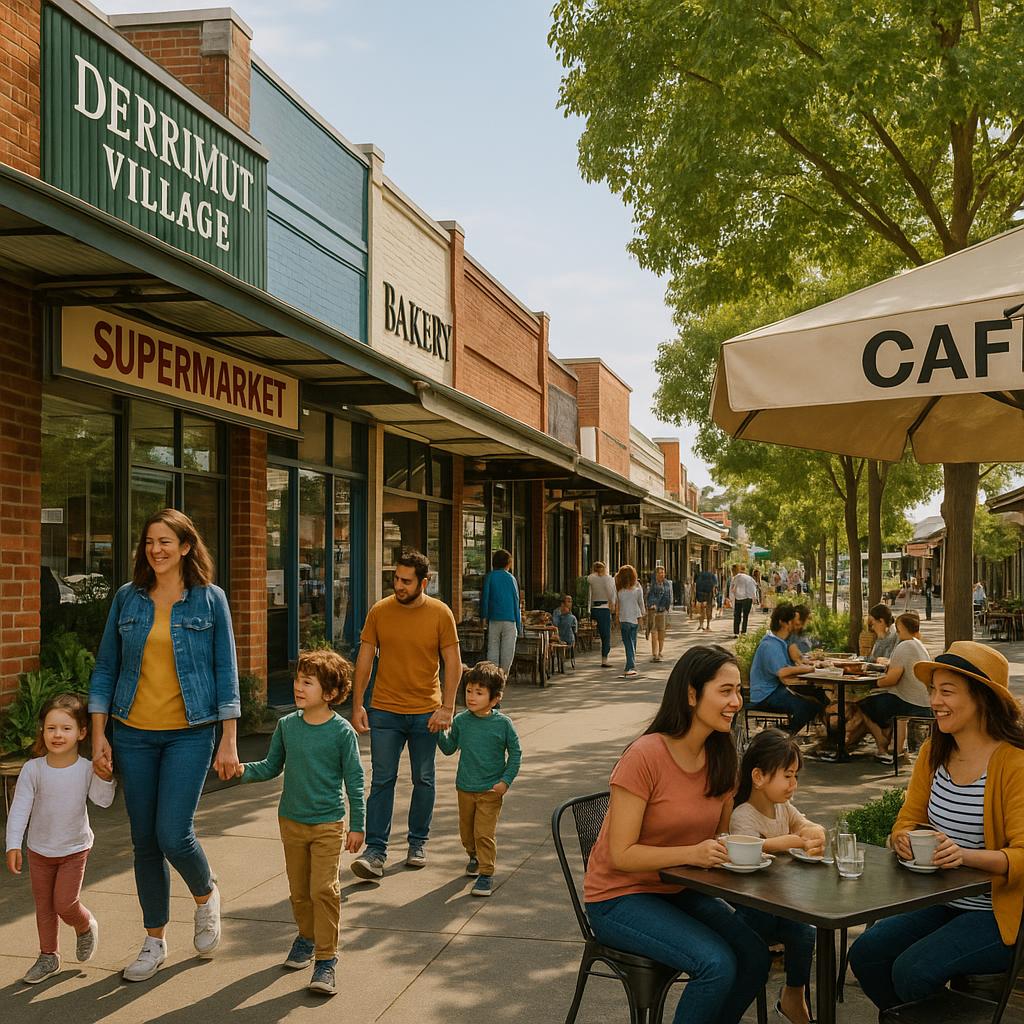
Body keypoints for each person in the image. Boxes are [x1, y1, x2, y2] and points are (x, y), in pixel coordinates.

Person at [583, 646, 772, 1024]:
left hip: (677, 890)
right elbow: (621, 854)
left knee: (755, 955)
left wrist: (785, 831)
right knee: (716, 963)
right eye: (724, 690)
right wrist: (692, 853)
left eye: (738, 691)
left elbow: (719, 836)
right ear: (691, 694)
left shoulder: (721, 755)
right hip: (618, 898)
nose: (736, 701)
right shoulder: (645, 756)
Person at [89, 508, 239, 982]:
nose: (156, 549)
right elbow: (106, 669)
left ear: (187, 547)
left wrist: (229, 740)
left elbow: (225, 673)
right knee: (143, 841)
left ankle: (205, 894)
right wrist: (98, 736)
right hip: (132, 732)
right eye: (150, 541)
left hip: (190, 733)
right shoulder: (127, 600)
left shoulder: (210, 601)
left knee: (173, 833)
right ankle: (154, 940)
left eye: (166, 541)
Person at [849, 641, 1024, 1011]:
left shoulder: (1014, 763)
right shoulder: (934, 751)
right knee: (866, 953)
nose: (934, 701)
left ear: (982, 699)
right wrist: (904, 840)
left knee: (914, 971)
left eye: (947, 691)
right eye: (933, 691)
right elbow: (907, 821)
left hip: (1000, 911)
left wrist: (965, 856)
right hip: (940, 899)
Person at [238, 649, 365, 996]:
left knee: (323, 889)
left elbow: (354, 779)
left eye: (307, 682)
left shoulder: (342, 732)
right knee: (299, 892)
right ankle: (306, 938)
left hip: (328, 823)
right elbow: (269, 766)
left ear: (329, 692)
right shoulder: (286, 726)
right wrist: (241, 771)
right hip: (291, 821)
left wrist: (358, 824)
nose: (298, 686)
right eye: (298, 679)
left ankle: (326, 960)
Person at [350, 549, 462, 880]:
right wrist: (357, 705)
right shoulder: (380, 611)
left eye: (406, 580)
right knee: (382, 779)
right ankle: (375, 851)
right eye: (395, 578)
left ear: (424, 582)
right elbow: (365, 659)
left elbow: (453, 662)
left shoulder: (441, 614)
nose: (398, 585)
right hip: (385, 710)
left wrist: (448, 708)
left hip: (426, 712)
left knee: (423, 779)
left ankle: (417, 843)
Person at [5, 693, 116, 984]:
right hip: (39, 850)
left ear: (81, 732)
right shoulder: (33, 769)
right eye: (51, 727)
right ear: (42, 730)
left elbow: (103, 802)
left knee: (64, 904)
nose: (57, 734)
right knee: (44, 906)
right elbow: (19, 810)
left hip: (74, 848)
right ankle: (48, 956)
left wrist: (105, 777)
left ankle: (83, 925)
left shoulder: (85, 769)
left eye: (66, 728)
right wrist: (13, 843)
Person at [730, 730, 825, 1024]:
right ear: (758, 777)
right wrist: (792, 841)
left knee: (806, 929)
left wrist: (813, 833)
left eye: (795, 776)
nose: (793, 784)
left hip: (781, 903)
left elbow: (809, 826)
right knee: (797, 924)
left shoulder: (783, 808)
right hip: (750, 908)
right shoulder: (743, 815)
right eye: (787, 776)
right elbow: (752, 847)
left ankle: (794, 994)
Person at [437, 662, 522, 898]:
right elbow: (448, 748)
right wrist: (438, 730)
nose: (471, 697)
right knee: (467, 832)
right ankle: (473, 855)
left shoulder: (503, 724)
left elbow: (516, 753)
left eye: (479, 692)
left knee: (484, 833)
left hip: (490, 790)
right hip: (465, 787)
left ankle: (486, 873)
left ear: (494, 699)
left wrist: (505, 781)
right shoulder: (462, 721)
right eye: (469, 691)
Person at [856, 613, 933, 764]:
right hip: (924, 701)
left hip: (910, 701)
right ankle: (894, 749)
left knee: (863, 704)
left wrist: (871, 683)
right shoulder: (919, 644)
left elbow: (891, 679)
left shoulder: (904, 646)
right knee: (885, 703)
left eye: (897, 629)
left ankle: (882, 744)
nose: (896, 632)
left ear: (901, 628)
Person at [748, 605, 825, 736]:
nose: (794, 624)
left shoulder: (778, 642)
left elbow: (786, 667)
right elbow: (782, 672)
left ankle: (784, 731)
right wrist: (805, 668)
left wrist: (805, 668)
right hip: (765, 695)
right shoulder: (769, 645)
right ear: (784, 622)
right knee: (808, 707)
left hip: (773, 690)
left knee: (817, 699)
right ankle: (783, 736)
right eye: (791, 620)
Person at [479, 549, 522, 674]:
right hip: (510, 620)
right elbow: (516, 601)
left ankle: (492, 675)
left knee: (492, 648)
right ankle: (503, 675)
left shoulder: (490, 577)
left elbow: (485, 598)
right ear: (508, 563)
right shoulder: (511, 579)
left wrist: (483, 617)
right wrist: (519, 624)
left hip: (494, 619)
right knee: (507, 651)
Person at [614, 565, 646, 678]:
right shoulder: (637, 589)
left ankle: (630, 666)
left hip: (624, 619)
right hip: (634, 619)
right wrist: (643, 615)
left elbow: (616, 605)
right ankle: (631, 664)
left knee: (628, 643)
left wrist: (616, 618)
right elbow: (641, 603)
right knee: (632, 642)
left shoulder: (619, 590)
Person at [587, 562, 617, 668]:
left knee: (600, 634)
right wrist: (612, 604)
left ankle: (604, 658)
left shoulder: (591, 579)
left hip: (594, 609)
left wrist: (589, 610)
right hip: (604, 609)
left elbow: (589, 594)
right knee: (606, 636)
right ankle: (604, 660)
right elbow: (611, 593)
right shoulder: (608, 579)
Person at [646, 566, 672, 662]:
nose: (661, 574)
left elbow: (669, 597)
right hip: (654, 612)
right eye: (659, 573)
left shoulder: (667, 584)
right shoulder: (652, 585)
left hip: (663, 612)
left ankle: (660, 651)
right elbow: (649, 597)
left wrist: (669, 609)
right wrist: (652, 604)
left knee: (662, 633)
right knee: (654, 633)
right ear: (656, 574)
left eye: (663, 572)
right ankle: (655, 654)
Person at [730, 564, 758, 637]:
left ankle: (736, 632)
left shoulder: (734, 578)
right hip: (747, 598)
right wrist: (754, 598)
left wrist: (731, 598)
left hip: (738, 598)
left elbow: (732, 589)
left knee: (737, 615)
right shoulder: (749, 578)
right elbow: (753, 588)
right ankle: (743, 631)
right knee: (745, 615)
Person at [693, 566, 718, 632]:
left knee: (701, 609)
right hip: (709, 594)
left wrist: (693, 597)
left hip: (699, 593)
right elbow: (714, 587)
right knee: (708, 610)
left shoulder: (698, 574)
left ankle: (701, 625)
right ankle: (708, 625)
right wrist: (714, 596)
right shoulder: (712, 575)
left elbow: (694, 586)